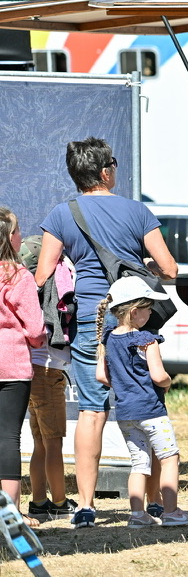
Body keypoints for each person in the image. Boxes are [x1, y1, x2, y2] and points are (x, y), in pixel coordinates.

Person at [35, 137, 178, 528]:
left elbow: (43, 274)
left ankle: (84, 506)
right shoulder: (136, 210)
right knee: (147, 408)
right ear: (105, 171)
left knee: (91, 412)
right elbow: (169, 268)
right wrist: (143, 263)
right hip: (136, 320)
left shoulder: (62, 214)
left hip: (90, 323)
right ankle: (152, 502)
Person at [95, 277, 188, 528]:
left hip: (125, 412)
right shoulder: (147, 340)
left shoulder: (108, 338)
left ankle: (137, 515)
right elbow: (159, 375)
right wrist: (166, 384)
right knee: (169, 458)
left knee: (138, 463)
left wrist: (123, 385)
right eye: (149, 307)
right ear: (135, 311)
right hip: (152, 411)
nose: (152, 312)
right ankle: (172, 511)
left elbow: (101, 375)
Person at [19, 235, 77, 521]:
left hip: (33, 370)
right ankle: (58, 501)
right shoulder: (50, 286)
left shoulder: (26, 286)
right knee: (54, 442)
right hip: (47, 369)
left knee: (41, 441)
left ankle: (39, 501)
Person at [0, 207, 45, 528]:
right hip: (12, 366)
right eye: (18, 231)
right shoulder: (19, 276)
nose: (21, 236)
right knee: (7, 438)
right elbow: (35, 330)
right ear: (8, 238)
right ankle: (11, 513)